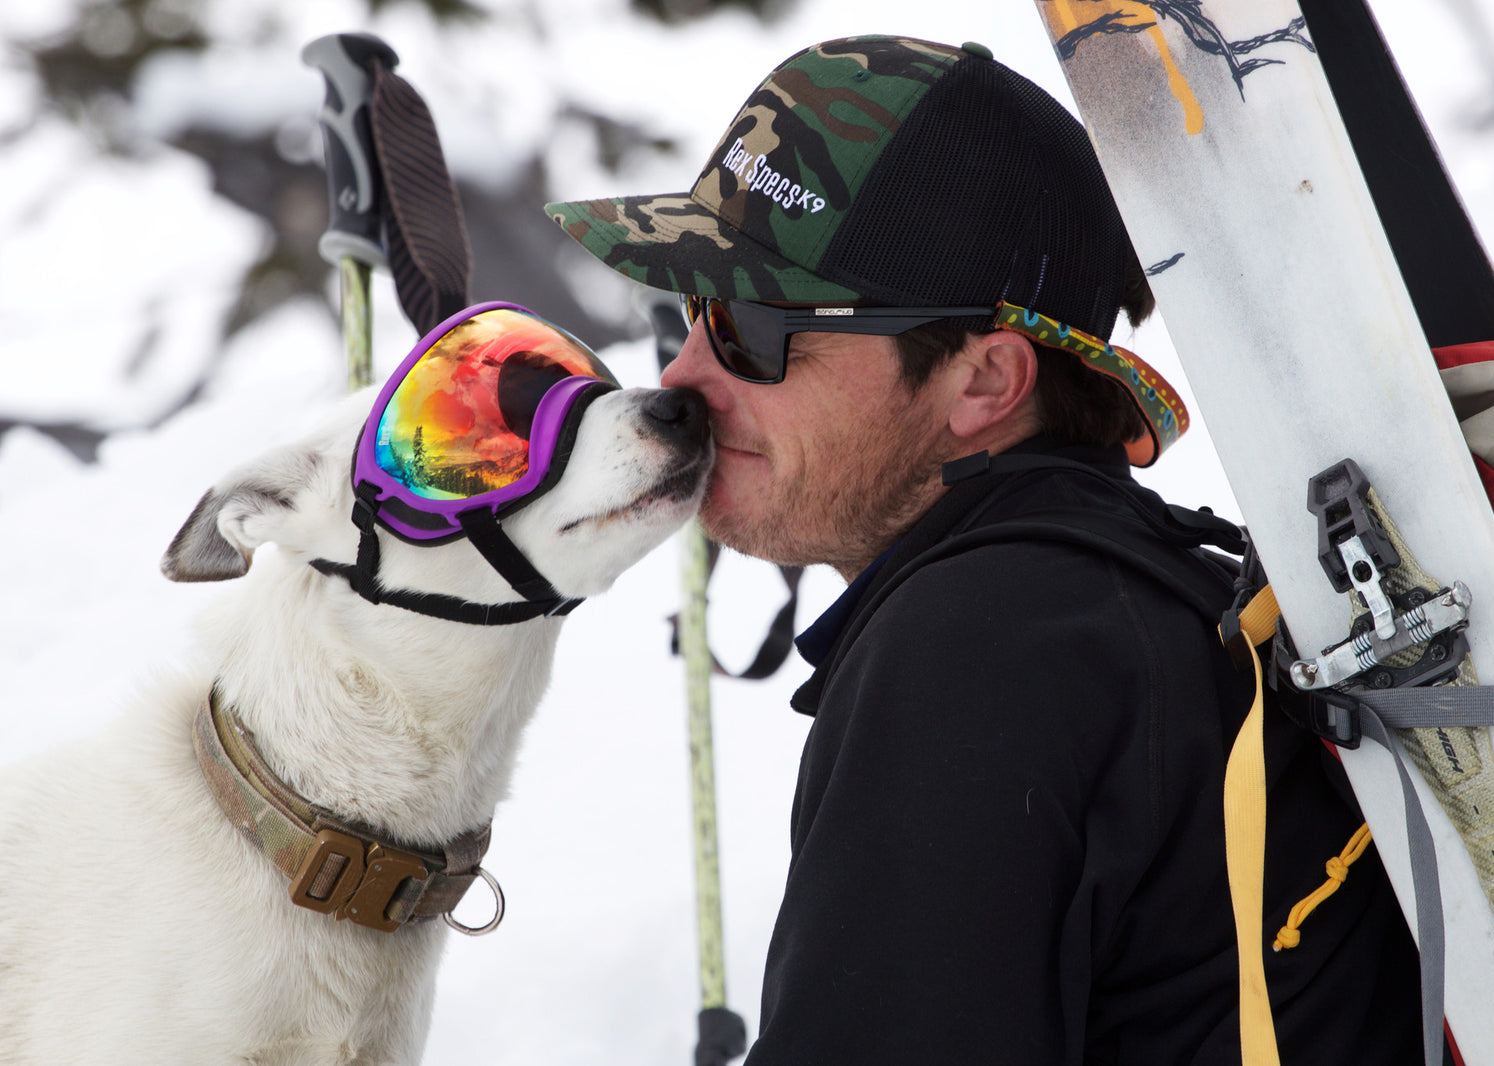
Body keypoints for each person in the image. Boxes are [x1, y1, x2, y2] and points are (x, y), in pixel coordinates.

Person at [547, 35, 1424, 1064]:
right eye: (694, 308)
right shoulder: (1133, 597)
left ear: (984, 382)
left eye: (751, 325)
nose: (683, 374)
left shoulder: (978, 645)